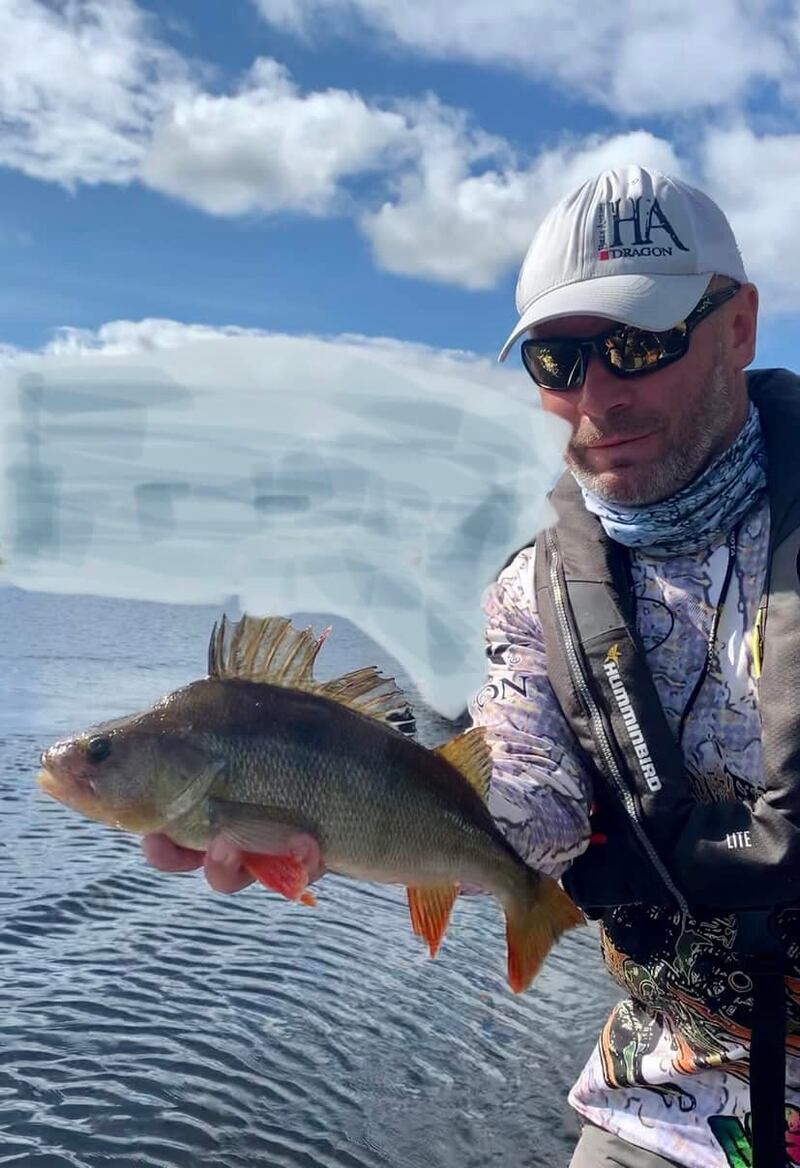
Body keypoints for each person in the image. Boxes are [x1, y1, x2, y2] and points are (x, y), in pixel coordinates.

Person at [143, 165, 800, 1168]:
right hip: (674, 1086)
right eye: (556, 357)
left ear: (739, 326)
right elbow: (525, 805)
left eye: (637, 341)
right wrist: (340, 803)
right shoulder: (530, 590)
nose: (596, 394)